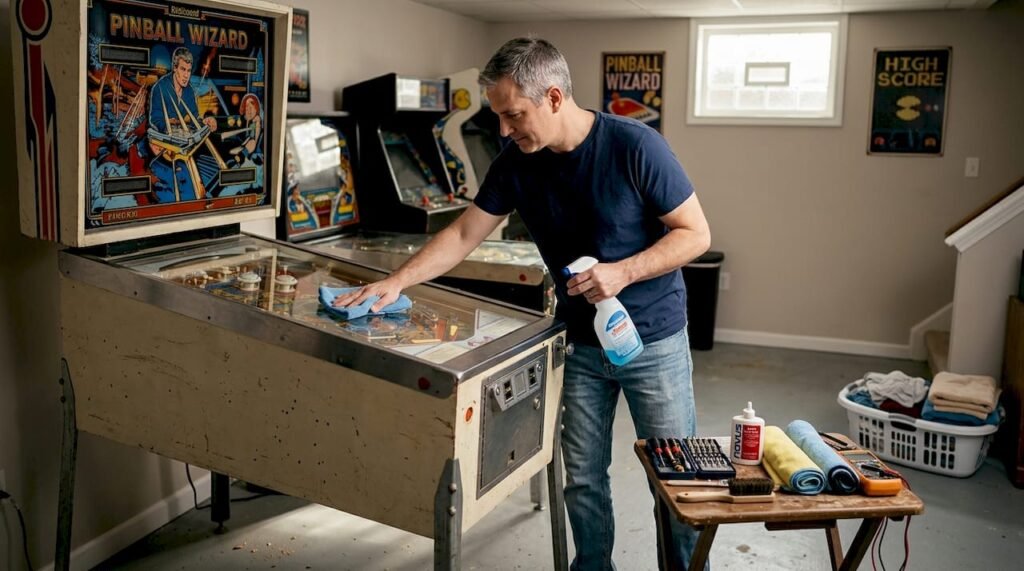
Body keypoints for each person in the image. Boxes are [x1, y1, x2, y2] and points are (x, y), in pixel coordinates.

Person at [332, 37, 711, 570]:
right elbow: (464, 232)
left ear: (553, 97)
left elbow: (695, 234)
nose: (505, 131)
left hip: (654, 340)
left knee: (675, 479)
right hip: (578, 344)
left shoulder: (635, 146)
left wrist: (623, 272)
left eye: (514, 115)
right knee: (582, 478)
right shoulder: (516, 162)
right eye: (499, 118)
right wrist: (398, 281)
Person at [147, 47, 218, 202]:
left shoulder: (189, 92)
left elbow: (194, 119)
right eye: (183, 69)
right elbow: (155, 119)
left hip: (183, 146)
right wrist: (170, 129)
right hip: (163, 145)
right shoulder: (160, 88)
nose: (186, 75)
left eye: (189, 70)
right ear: (174, 68)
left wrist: (206, 122)